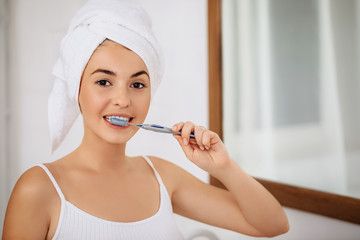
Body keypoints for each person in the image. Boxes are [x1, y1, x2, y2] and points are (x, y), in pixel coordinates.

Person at [2, 1, 289, 239]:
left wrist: (224, 167)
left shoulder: (162, 177)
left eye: (137, 85)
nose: (123, 100)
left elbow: (273, 225)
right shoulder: (38, 189)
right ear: (76, 89)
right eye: (104, 81)